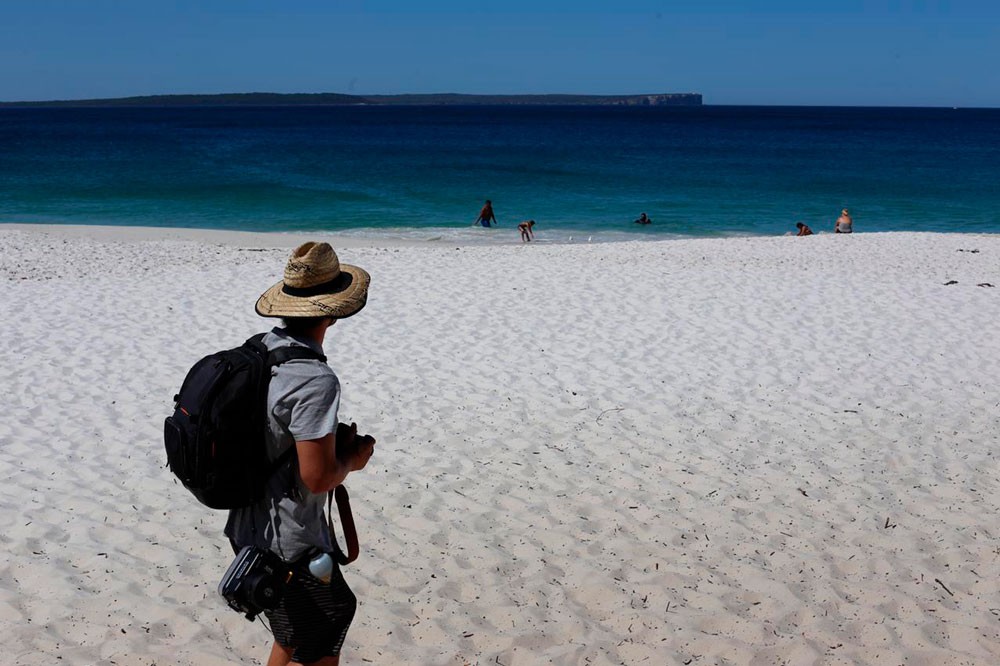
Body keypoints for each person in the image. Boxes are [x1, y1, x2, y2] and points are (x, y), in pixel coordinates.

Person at [226, 241, 376, 666]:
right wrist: (352, 460)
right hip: (292, 540)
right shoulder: (314, 379)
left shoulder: (259, 351)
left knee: (292, 632)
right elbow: (317, 477)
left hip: (248, 525)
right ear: (332, 312)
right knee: (328, 625)